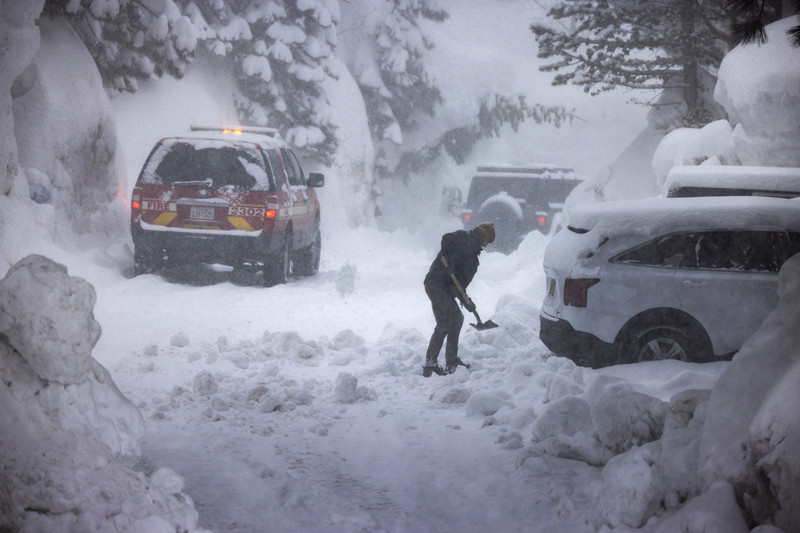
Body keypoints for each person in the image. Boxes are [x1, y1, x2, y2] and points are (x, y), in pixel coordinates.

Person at [422, 222, 495, 377]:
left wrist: (467, 301)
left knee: (456, 318)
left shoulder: (473, 260)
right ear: (482, 236)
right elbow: (445, 239)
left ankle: (451, 360)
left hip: (446, 287)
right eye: (487, 241)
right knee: (444, 322)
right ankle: (430, 363)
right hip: (435, 282)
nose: (487, 245)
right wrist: (450, 261)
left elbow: (459, 285)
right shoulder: (462, 237)